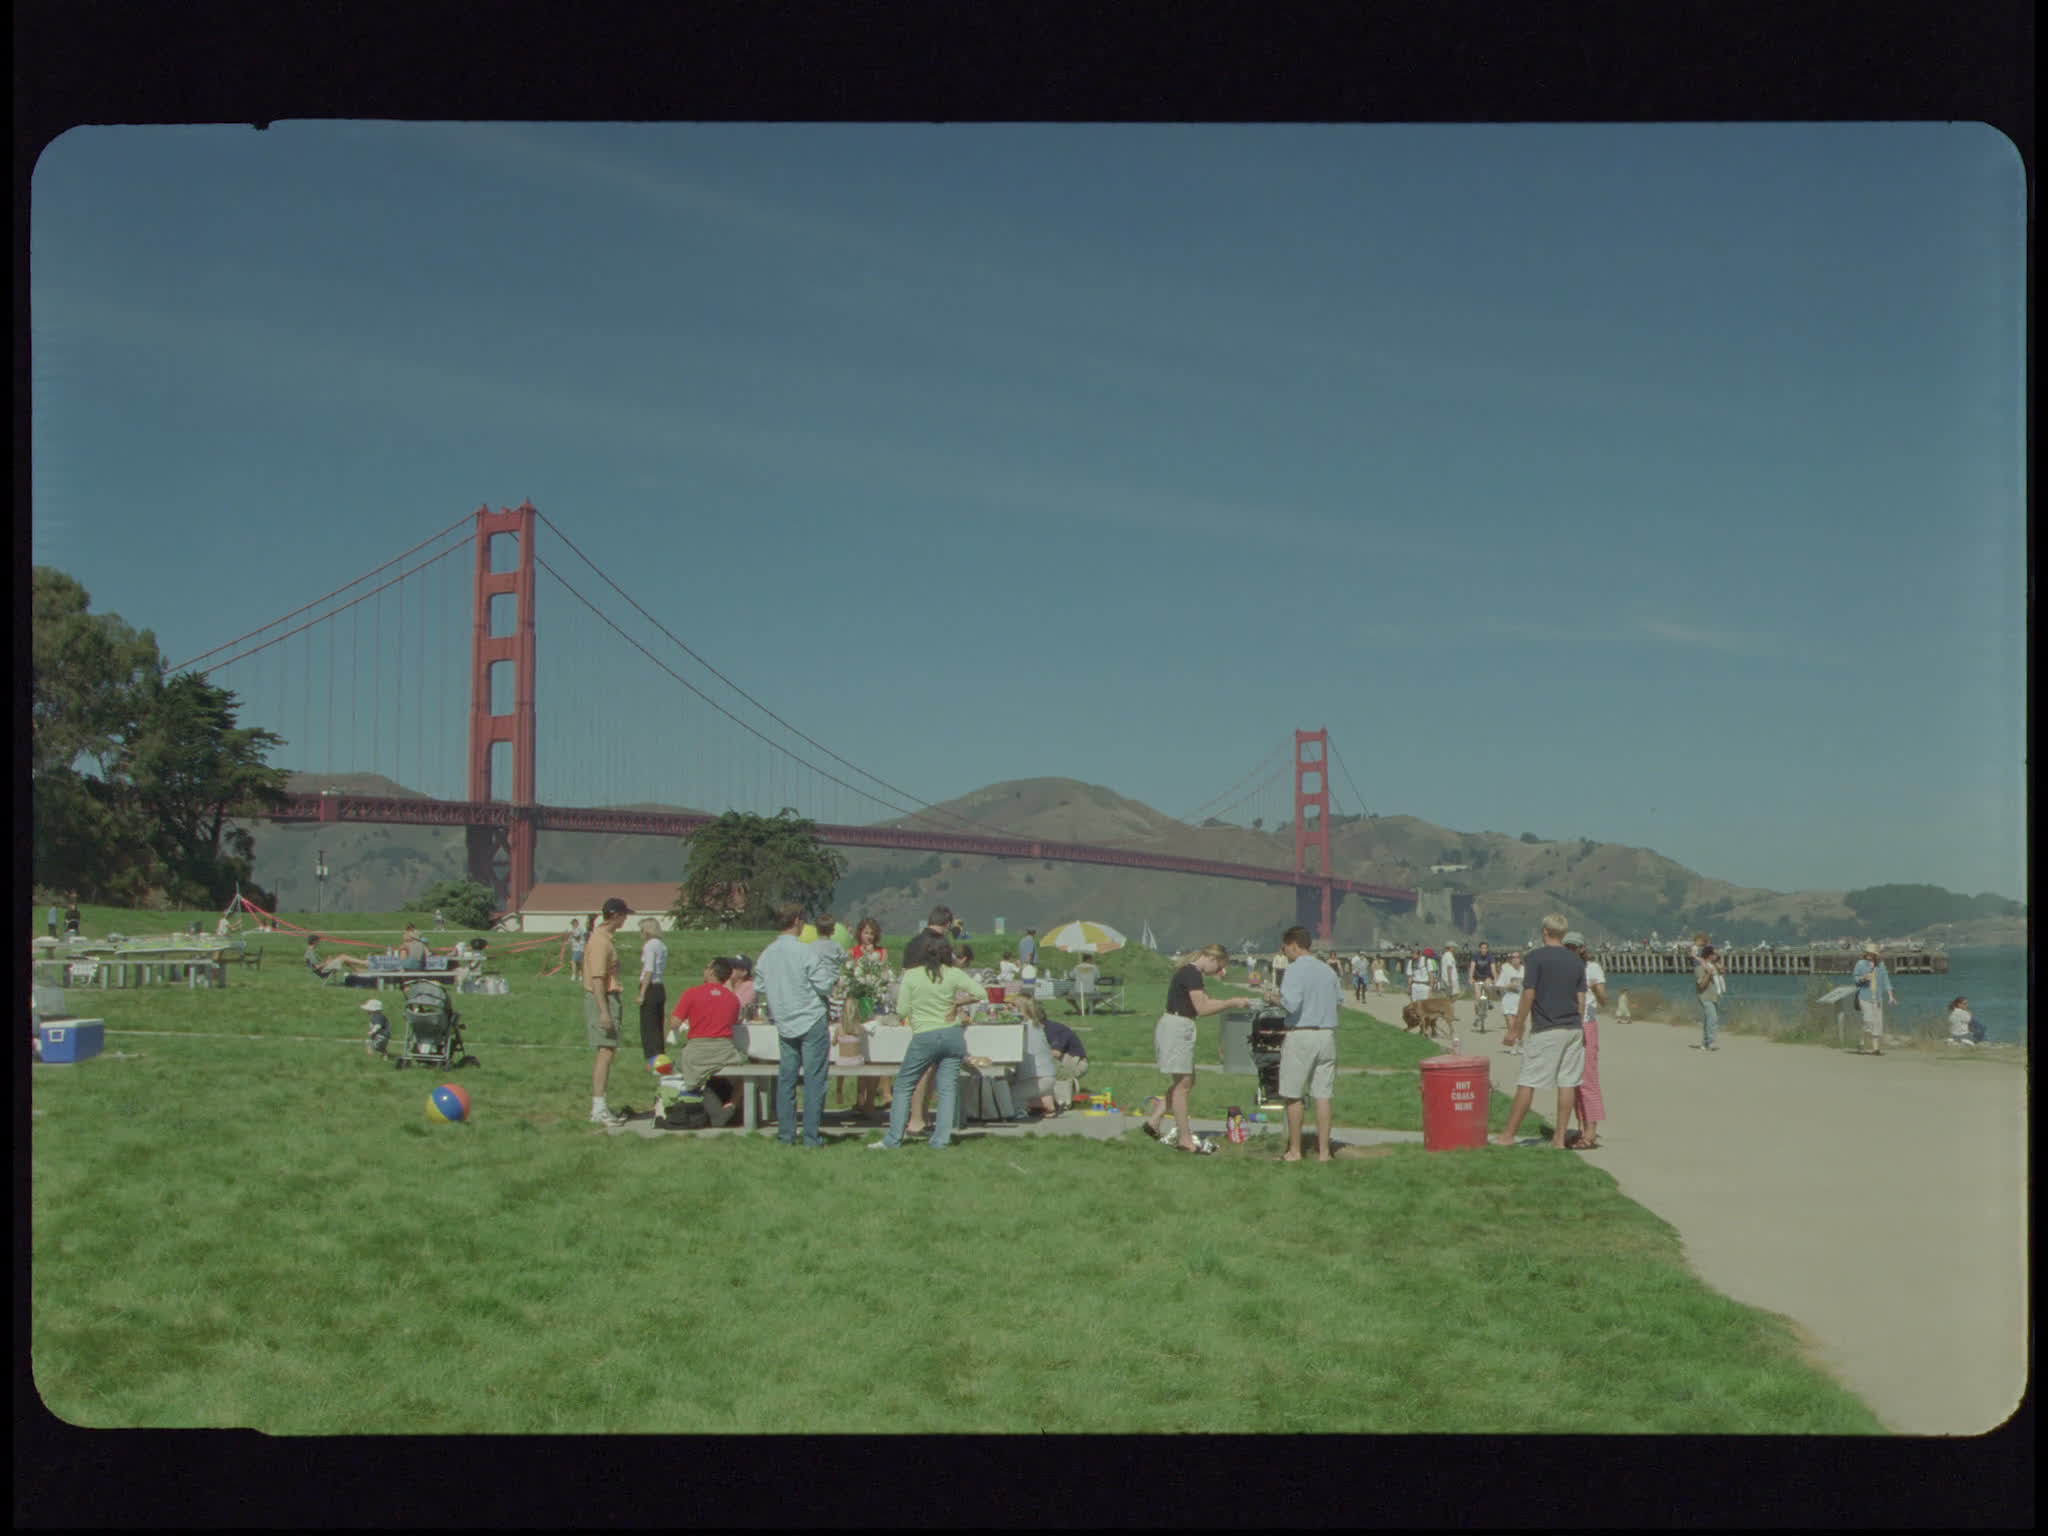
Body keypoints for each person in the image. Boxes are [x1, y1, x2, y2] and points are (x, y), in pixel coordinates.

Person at [869, 938, 979, 1151]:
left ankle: (893, 1138)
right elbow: (980, 993)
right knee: (947, 1089)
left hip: (925, 1035)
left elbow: (901, 1011)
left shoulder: (912, 975)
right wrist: (957, 1003)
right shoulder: (954, 974)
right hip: (952, 1035)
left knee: (903, 1086)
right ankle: (941, 1140)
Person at [1494, 915, 1587, 1148]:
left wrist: (1518, 1025)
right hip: (1573, 1027)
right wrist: (1578, 1022)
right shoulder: (1576, 961)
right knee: (1567, 1083)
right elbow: (1581, 999)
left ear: (1545, 931)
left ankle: (1508, 1135)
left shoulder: (1535, 957)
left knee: (1527, 1081)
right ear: (1563, 934)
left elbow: (1529, 994)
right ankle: (1559, 1138)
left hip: (1547, 1027)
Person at [757, 904, 842, 1147]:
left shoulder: (767, 953)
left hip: (784, 1019)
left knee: (787, 1079)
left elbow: (760, 986)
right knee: (815, 1080)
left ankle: (786, 1134)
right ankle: (811, 1135)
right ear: (796, 921)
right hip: (811, 1017)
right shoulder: (805, 952)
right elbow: (825, 985)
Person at [1266, 926, 1341, 1164]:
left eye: (1285, 947)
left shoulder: (1294, 970)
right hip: (1326, 1034)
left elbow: (1290, 1004)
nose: (1284, 952)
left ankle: (1295, 1150)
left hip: (1301, 1033)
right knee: (1323, 1095)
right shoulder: (1327, 970)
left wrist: (1272, 997)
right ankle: (1324, 1152)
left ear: (1294, 945)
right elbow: (1339, 999)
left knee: (1293, 1094)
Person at [666, 957, 749, 1128]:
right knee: (750, 1068)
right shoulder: (733, 999)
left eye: (706, 967)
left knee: (685, 1070)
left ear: (711, 972)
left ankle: (712, 1111)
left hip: (697, 1051)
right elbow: (734, 1023)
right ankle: (732, 1104)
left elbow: (674, 1022)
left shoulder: (692, 993)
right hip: (724, 1051)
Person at [581, 897, 634, 1126]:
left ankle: (601, 1104)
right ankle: (598, 1107)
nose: (625, 919)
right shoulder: (600, 942)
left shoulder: (606, 939)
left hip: (608, 997)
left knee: (609, 1051)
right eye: (624, 915)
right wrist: (604, 1012)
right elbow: (597, 979)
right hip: (602, 998)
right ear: (615, 916)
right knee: (605, 1052)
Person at [1564, 933, 1607, 1150]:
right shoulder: (1562, 968)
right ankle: (1580, 1127)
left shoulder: (1592, 968)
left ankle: (1591, 1131)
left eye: (1574, 947)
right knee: (1571, 1080)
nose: (1570, 950)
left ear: (1582, 948)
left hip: (1587, 1024)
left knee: (1588, 1077)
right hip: (1566, 1024)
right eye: (1567, 947)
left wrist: (1592, 988)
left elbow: (1603, 998)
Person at [1010, 997, 1059, 1118]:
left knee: (1009, 1095)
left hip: (1037, 1078)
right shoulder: (1036, 1026)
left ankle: (1022, 1111)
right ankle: (1046, 1101)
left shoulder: (1022, 1028)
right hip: (1048, 1077)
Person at [635, 918, 669, 1068]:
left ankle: (652, 1060)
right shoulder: (662, 945)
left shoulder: (649, 945)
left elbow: (649, 969)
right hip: (660, 987)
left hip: (650, 986)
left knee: (648, 1027)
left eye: (642, 930)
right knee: (658, 1025)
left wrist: (642, 992)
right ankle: (661, 1058)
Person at [1851, 944, 1896, 1056]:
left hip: (1877, 998)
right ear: (1865, 953)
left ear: (1876, 955)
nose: (1870, 955)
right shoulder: (1860, 964)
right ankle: (1861, 1042)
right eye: (1868, 953)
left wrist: (1891, 996)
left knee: (1877, 1023)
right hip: (1864, 997)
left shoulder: (1881, 965)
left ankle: (1876, 1049)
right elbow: (1855, 978)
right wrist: (1862, 978)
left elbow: (1886, 981)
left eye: (1872, 954)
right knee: (1868, 1020)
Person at [1041, 1008, 1089, 1109]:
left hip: (1076, 1063)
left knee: (1050, 1062)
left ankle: (1063, 1098)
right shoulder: (1040, 1029)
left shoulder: (1053, 1029)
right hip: (1065, 1061)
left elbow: (1056, 1053)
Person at [1691, 944, 1724, 1052]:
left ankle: (1704, 1043)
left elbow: (1722, 972)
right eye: (1714, 954)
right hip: (1705, 996)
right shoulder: (1700, 967)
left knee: (1708, 1020)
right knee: (1713, 1018)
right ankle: (1710, 1042)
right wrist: (1709, 974)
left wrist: (1719, 968)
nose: (1716, 955)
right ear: (1709, 955)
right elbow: (1701, 985)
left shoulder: (1712, 965)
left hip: (1713, 996)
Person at [901, 906, 954, 972]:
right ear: (948, 924)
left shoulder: (912, 942)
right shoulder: (942, 944)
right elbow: (948, 972)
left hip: (910, 980)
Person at [1495, 950, 1526, 1053]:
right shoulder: (1506, 969)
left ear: (1520, 959)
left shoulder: (1524, 970)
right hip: (1508, 999)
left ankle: (1520, 1041)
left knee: (1520, 1023)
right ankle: (1514, 1043)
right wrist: (1508, 986)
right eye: (1513, 957)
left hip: (1521, 1000)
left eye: (1517, 957)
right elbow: (1499, 985)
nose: (1515, 959)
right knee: (1510, 1022)